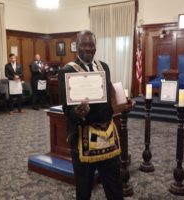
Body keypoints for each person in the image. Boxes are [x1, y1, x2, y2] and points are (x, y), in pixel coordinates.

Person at [58, 30, 123, 200]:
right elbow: (67, 110)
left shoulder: (104, 67)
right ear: (76, 47)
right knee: (84, 188)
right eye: (83, 45)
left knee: (114, 185)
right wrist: (77, 113)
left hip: (107, 136)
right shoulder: (67, 71)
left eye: (91, 45)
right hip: (83, 139)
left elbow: (109, 98)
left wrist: (123, 103)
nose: (88, 48)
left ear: (95, 47)